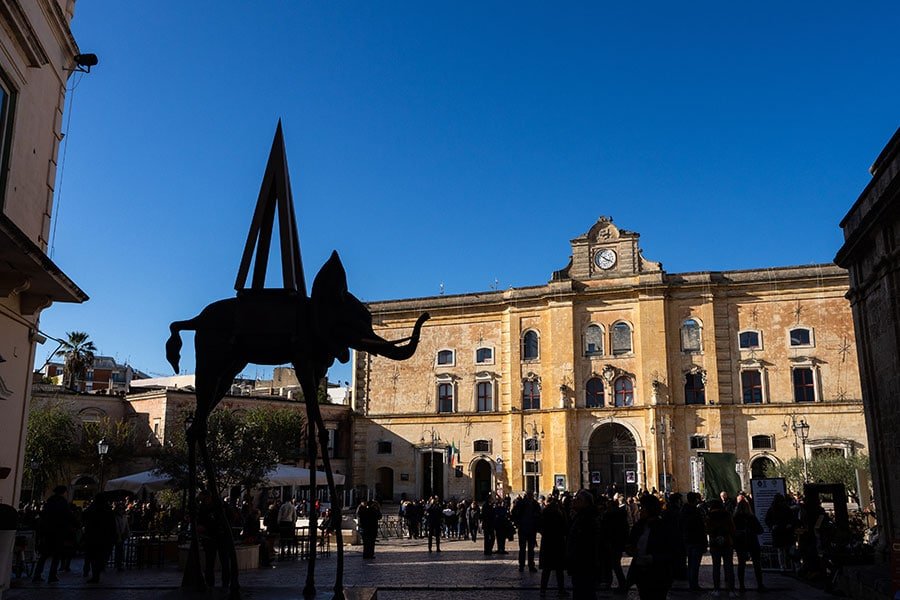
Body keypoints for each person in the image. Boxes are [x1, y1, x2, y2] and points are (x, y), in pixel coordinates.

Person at [625, 494, 675, 600]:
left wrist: (653, 558)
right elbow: (631, 542)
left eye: (642, 508)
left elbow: (671, 550)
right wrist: (630, 549)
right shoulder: (638, 526)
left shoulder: (663, 527)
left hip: (658, 573)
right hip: (641, 572)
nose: (640, 511)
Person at [32, 485, 74, 583]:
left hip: (47, 532)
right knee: (56, 555)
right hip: (58, 532)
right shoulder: (63, 503)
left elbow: (43, 514)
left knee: (44, 555)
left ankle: (37, 575)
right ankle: (52, 575)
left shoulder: (49, 501)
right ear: (63, 492)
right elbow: (68, 515)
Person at [566, 490, 599, 600]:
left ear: (586, 503)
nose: (574, 501)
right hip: (580, 565)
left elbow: (587, 544)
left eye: (578, 499)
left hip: (584, 565)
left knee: (584, 593)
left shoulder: (587, 519)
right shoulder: (580, 517)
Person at [82, 495, 117, 584]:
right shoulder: (108, 510)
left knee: (94, 558)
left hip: (94, 537)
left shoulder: (93, 510)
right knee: (99, 557)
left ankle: (95, 574)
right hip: (104, 538)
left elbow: (85, 517)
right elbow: (113, 525)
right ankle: (97, 572)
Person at [706, 498, 736, 597]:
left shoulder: (710, 516)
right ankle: (731, 590)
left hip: (715, 543)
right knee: (729, 567)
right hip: (727, 542)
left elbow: (707, 529)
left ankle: (716, 589)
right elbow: (732, 528)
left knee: (716, 566)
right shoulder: (727, 514)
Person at [538, 495, 568, 597]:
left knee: (546, 569)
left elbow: (540, 526)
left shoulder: (545, 512)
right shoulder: (560, 512)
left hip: (547, 542)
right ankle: (561, 589)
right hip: (558, 542)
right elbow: (565, 527)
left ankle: (543, 590)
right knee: (559, 570)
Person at [733, 497, 765, 592]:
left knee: (741, 564)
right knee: (756, 564)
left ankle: (742, 585)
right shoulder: (751, 517)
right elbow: (760, 530)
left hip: (740, 543)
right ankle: (760, 584)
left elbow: (732, 531)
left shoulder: (735, 518)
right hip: (752, 542)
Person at [681, 492, 707, 592]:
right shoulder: (696, 511)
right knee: (695, 564)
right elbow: (701, 528)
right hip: (696, 541)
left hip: (687, 540)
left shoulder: (683, 510)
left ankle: (693, 584)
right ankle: (694, 585)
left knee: (691, 563)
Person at [511, 491, 541, 572]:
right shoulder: (523, 503)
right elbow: (513, 513)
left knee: (529, 548)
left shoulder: (533, 504)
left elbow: (539, 515)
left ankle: (528, 565)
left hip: (529, 528)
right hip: (525, 528)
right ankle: (524, 565)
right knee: (525, 548)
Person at [765, 493, 795, 572]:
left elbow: (767, 520)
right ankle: (790, 565)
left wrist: (772, 526)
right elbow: (767, 520)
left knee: (782, 550)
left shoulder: (773, 509)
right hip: (782, 531)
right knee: (785, 549)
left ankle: (784, 566)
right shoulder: (783, 508)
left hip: (780, 531)